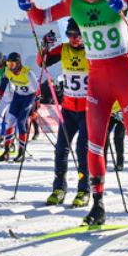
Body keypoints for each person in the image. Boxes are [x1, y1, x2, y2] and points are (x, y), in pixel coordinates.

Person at [19, 0, 128, 226]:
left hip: (124, 73)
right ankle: (97, 205)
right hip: (97, 78)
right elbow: (41, 17)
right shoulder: (73, 1)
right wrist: (30, 7)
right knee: (94, 144)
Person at [38, 18, 91, 208]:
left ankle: (84, 190)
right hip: (68, 109)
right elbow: (42, 62)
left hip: (87, 111)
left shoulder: (92, 50)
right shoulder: (64, 49)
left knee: (82, 151)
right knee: (61, 149)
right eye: (70, 34)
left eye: (77, 35)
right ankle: (59, 188)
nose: (73, 38)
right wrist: (44, 46)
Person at [0, 52, 40, 163]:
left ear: (18, 64)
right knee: (10, 122)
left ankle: (21, 153)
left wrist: (36, 107)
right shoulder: (8, 71)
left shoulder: (28, 73)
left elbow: (37, 90)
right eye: (8, 63)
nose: (10, 67)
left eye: (12, 64)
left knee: (21, 122)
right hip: (17, 97)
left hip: (28, 98)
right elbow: (3, 85)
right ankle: (6, 152)